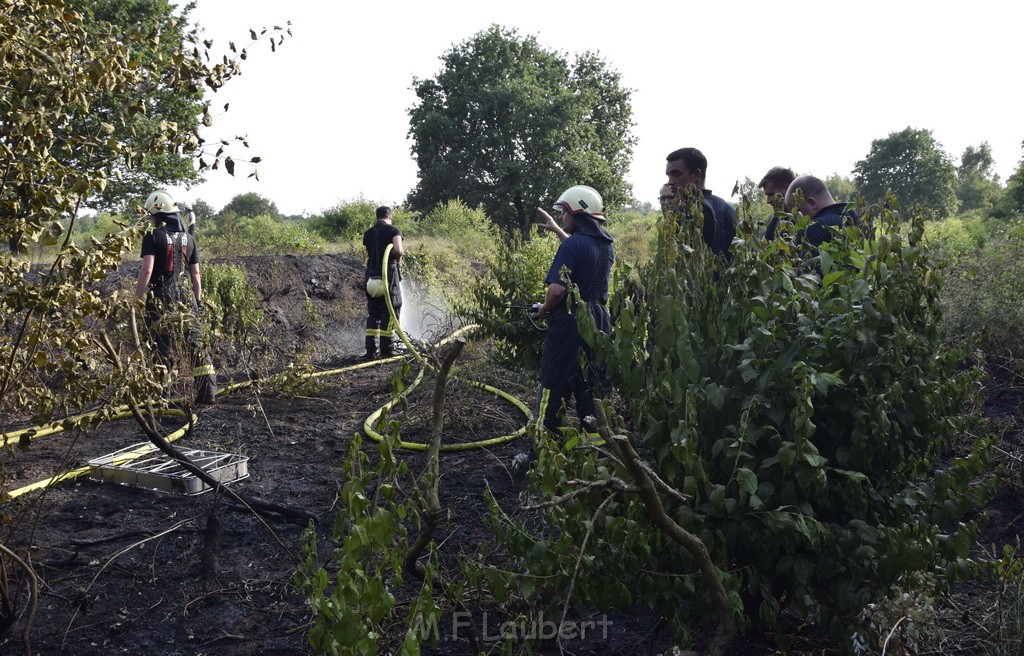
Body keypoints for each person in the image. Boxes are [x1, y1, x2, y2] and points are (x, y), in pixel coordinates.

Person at [532, 185, 615, 437]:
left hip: (570, 324)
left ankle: (541, 450)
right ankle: (595, 451)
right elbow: (582, 251)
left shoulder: (571, 246)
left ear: (577, 212)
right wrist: (558, 231)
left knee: (553, 384)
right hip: (600, 322)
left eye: (564, 213)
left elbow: (557, 292)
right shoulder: (606, 244)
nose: (560, 217)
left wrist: (545, 309)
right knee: (591, 386)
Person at [135, 190, 217, 404]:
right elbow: (196, 274)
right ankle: (208, 393)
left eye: (151, 215)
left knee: (161, 346)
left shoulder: (152, 237)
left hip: (160, 296)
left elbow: (146, 271)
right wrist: (197, 302)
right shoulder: (189, 238)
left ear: (157, 215)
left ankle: (163, 395)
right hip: (185, 297)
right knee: (195, 344)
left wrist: (136, 299)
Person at [665, 147, 735, 257]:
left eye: (676, 174)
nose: (670, 182)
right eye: (668, 175)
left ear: (696, 175)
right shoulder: (728, 209)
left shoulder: (683, 212)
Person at [363, 205, 404, 359]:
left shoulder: (368, 233)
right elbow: (398, 250)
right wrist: (398, 260)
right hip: (388, 277)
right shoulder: (394, 230)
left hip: (371, 279)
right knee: (391, 311)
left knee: (373, 314)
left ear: (377, 216)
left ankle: (371, 351)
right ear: (390, 216)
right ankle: (388, 351)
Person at [784, 175, 860, 249]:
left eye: (798, 212)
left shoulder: (813, 229)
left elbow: (808, 261)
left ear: (812, 203)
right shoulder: (860, 219)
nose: (797, 220)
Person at [759, 166, 796, 240]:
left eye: (771, 194)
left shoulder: (807, 220)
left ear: (788, 188)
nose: (768, 201)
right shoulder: (775, 222)